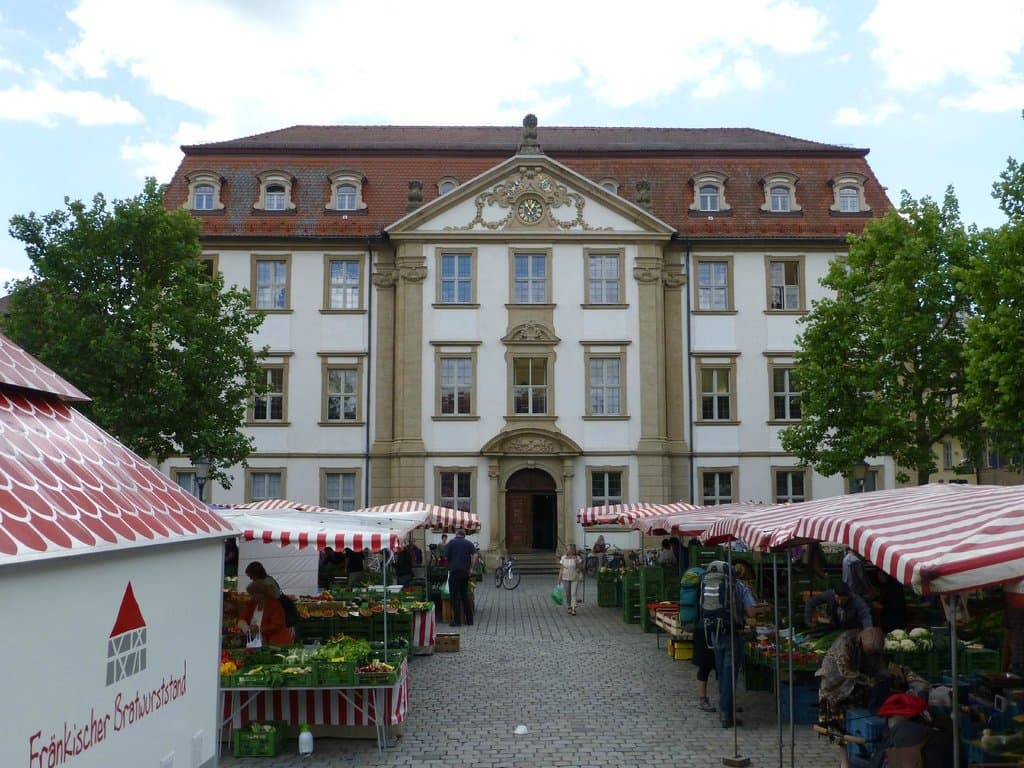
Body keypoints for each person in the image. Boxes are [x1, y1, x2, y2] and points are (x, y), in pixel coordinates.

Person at [816, 627, 886, 768]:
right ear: (861, 641)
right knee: (837, 727)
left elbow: (878, 665)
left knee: (856, 724)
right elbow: (845, 671)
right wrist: (868, 680)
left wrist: (885, 674)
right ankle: (845, 762)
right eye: (868, 651)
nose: (870, 654)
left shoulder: (872, 645)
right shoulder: (845, 643)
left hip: (854, 687)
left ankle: (858, 757)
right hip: (834, 688)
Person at [702, 562, 756, 729]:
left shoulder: (710, 583)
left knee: (721, 673)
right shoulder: (739, 587)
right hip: (733, 634)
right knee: (729, 675)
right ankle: (726, 714)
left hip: (714, 633)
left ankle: (725, 710)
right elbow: (751, 611)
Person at [239, 579, 294, 646]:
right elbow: (242, 617)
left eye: (254, 594)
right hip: (257, 642)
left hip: (276, 642)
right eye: (251, 594)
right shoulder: (251, 604)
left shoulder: (274, 604)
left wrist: (259, 629)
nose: (252, 596)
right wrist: (244, 626)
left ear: (262, 593)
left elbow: (276, 625)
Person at [804, 582, 873, 630]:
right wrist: (808, 619)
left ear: (848, 596)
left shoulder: (856, 600)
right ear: (834, 594)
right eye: (838, 599)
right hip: (835, 627)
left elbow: (865, 616)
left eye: (843, 600)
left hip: (853, 628)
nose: (840, 602)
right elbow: (811, 602)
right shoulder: (830, 594)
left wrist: (868, 630)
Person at [445, 528, 477, 626]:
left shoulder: (451, 543)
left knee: (454, 597)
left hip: (454, 572)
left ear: (456, 534)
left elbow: (446, 557)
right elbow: (475, 555)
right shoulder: (468, 543)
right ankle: (469, 620)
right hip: (464, 573)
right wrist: (471, 568)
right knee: (464, 596)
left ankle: (457, 621)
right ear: (464, 535)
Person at [559, 543, 583, 615]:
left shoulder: (577, 558)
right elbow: (561, 569)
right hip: (565, 577)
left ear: (572, 550)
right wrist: (559, 578)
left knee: (573, 593)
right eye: (566, 549)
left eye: (568, 549)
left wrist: (577, 563)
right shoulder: (563, 557)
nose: (566, 550)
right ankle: (569, 606)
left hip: (575, 577)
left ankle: (573, 608)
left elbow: (581, 568)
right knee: (568, 593)